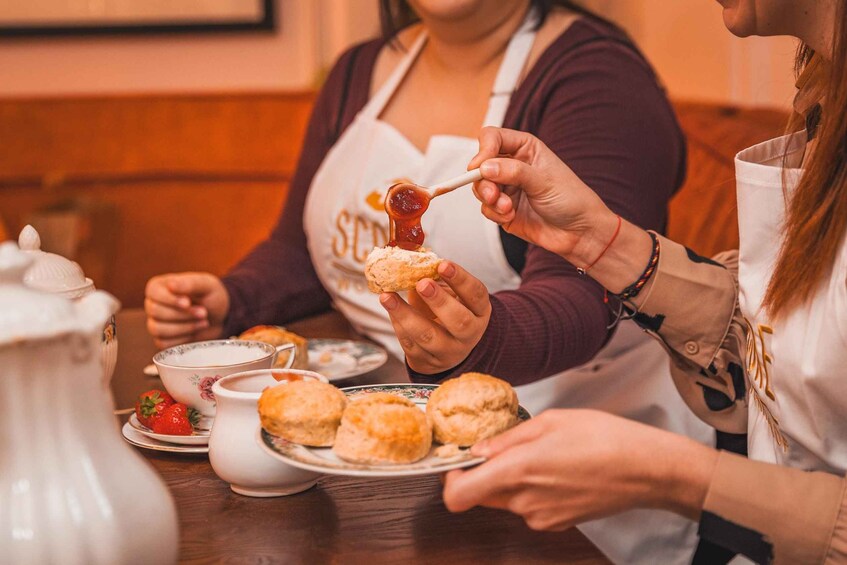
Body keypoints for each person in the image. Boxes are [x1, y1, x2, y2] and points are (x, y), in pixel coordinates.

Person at [145, 1, 710, 561]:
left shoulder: (600, 79)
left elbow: (587, 293)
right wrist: (232, 297)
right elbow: (304, 249)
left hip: (570, 463)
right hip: (391, 441)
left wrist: (479, 339)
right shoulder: (357, 72)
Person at [443, 0, 847, 562]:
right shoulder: (825, 102)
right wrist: (596, 239)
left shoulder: (597, 72)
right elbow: (783, 357)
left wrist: (674, 477)